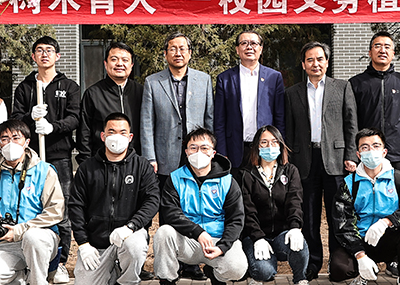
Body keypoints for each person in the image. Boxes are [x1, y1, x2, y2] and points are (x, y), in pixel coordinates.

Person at [283, 41, 358, 281]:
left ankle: (339, 261)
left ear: (327, 61)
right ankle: (312, 263)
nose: (315, 64)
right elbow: (289, 129)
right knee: (309, 214)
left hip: (336, 159)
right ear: (303, 64)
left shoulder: (342, 87)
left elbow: (351, 124)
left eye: (320, 59)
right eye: (310, 60)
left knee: (338, 213)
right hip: (304, 160)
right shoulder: (292, 93)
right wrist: (288, 158)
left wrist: (350, 155)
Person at [150, 128, 247, 285]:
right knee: (164, 232)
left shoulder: (227, 181)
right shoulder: (175, 178)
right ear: (186, 152)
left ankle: (216, 276)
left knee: (238, 267)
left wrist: (223, 247)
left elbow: (236, 219)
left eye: (204, 148)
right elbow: (170, 213)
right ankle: (167, 284)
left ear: (213, 153)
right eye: (193, 148)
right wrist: (197, 232)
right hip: (188, 241)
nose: (198, 152)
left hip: (217, 241)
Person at [68, 113, 159, 285]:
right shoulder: (87, 168)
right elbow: (76, 206)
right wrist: (83, 244)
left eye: (122, 132)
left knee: (135, 245)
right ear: (103, 136)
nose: (116, 136)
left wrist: (131, 226)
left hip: (127, 235)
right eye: (111, 132)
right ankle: (113, 274)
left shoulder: (142, 166)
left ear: (130, 137)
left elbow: (152, 201)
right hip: (97, 244)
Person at [12, 36, 81, 284]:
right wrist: (29, 119)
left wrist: (54, 127)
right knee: (30, 204)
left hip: (59, 156)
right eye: (39, 50)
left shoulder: (69, 86)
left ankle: (59, 262)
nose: (44, 54)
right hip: (30, 158)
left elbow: (75, 117)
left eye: (49, 50)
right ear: (33, 56)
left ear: (57, 56)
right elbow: (16, 119)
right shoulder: (25, 87)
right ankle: (29, 261)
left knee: (61, 207)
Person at [331, 128, 400, 285]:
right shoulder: (349, 184)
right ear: (358, 154)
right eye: (365, 147)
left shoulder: (398, 179)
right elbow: (342, 222)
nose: (371, 151)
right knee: (339, 270)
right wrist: (360, 254)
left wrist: (386, 222)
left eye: (376, 146)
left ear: (384, 152)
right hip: (361, 239)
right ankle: (362, 272)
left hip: (390, 238)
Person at [0, 120, 64, 285]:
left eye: (16, 138)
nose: (10, 143)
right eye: (4, 139)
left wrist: (20, 229)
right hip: (8, 241)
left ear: (27, 142)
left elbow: (56, 211)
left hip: (42, 236)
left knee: (33, 237)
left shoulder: (45, 171)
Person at [234, 125, 314, 285]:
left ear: (280, 145)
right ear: (256, 146)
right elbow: (247, 210)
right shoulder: (245, 174)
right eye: (264, 142)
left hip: (282, 235)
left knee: (299, 243)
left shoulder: (290, 171)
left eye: (274, 142)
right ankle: (255, 275)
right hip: (255, 237)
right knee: (263, 272)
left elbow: (295, 202)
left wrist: (295, 227)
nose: (269, 146)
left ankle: (300, 281)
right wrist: (257, 237)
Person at [141, 32, 215, 179]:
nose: (178, 53)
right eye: (173, 49)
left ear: (190, 53)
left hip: (197, 153)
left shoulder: (204, 80)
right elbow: (147, 123)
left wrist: (209, 152)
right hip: (165, 155)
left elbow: (209, 119)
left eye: (182, 49)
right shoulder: (152, 82)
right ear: (165, 54)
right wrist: (150, 157)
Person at [348, 31, 400, 181]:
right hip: (367, 153)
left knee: (397, 191)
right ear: (370, 52)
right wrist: (353, 153)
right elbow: (351, 122)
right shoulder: (356, 83)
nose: (382, 50)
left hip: (397, 154)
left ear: (393, 53)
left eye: (387, 47)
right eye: (377, 46)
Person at [214, 31, 286, 168]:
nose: (249, 47)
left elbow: (280, 117)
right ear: (237, 49)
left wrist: (280, 149)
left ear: (261, 49)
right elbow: (219, 120)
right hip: (234, 149)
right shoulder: (225, 79)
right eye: (244, 43)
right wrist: (222, 152)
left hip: (266, 150)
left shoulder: (273, 77)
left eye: (254, 43)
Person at [76, 41, 144, 165]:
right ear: (106, 64)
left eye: (125, 60)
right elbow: (84, 132)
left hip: (135, 161)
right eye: (114, 59)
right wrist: (85, 162)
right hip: (101, 162)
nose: (120, 64)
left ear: (131, 65)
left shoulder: (141, 92)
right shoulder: (93, 93)